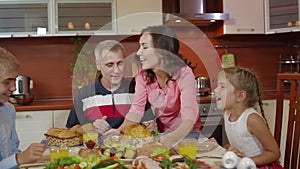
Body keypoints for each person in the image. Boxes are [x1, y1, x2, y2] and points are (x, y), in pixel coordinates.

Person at [104, 25, 201, 149]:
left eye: (144, 47)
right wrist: (120, 130)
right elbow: (137, 109)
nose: (138, 52)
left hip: (188, 133)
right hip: (163, 132)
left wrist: (172, 138)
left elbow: (189, 117)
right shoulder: (143, 75)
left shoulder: (183, 72)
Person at [66, 40, 154, 133]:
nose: (116, 70)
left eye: (120, 63)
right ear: (98, 65)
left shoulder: (138, 89)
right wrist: (91, 127)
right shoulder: (84, 94)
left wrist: (151, 126)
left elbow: (148, 124)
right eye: (110, 65)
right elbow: (71, 131)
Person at [214, 67, 283, 168]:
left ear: (240, 96)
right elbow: (240, 143)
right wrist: (228, 147)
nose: (215, 90)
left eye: (222, 87)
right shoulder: (226, 114)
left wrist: (245, 161)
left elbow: (274, 153)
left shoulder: (252, 119)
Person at [0, 47, 46, 169]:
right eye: (7, 82)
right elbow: (16, 158)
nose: (14, 88)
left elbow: (13, 149)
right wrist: (19, 159)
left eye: (14, 81)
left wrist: (22, 158)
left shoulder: (8, 110)